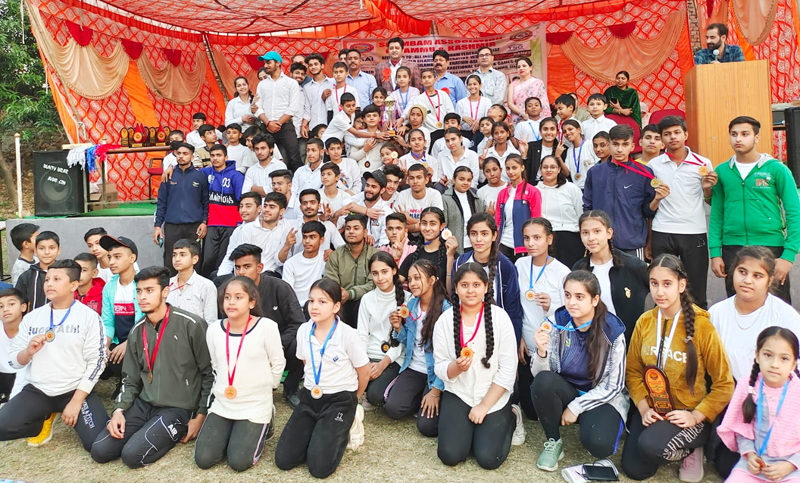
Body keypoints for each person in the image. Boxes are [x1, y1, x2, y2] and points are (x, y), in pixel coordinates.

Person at [623, 254, 734, 482]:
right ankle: (662, 438)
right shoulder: (644, 322)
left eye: (667, 284)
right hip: (653, 409)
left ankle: (693, 447)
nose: (660, 292)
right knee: (635, 470)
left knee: (651, 447)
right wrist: (643, 408)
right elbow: (633, 371)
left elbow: (724, 384)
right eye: (654, 283)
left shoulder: (703, 326)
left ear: (681, 285)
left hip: (687, 413)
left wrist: (696, 415)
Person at [90, 266, 213, 467]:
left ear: (165, 292)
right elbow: (129, 379)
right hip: (144, 403)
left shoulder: (192, 324)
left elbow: (209, 374)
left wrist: (200, 416)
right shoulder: (137, 331)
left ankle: (169, 430)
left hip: (179, 407)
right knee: (100, 450)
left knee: (132, 456)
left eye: (149, 290)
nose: (142, 297)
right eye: (138, 291)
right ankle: (148, 428)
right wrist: (119, 411)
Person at [709, 248, 800, 478]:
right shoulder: (717, 314)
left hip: (780, 403)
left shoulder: (785, 317)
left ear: (770, 280)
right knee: (727, 465)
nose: (748, 280)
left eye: (757, 275)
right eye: (742, 271)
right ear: (732, 274)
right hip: (735, 399)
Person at [0, 260, 108, 451]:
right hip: (38, 390)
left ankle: (72, 411)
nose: (49, 283)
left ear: (73, 285)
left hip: (73, 390)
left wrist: (76, 401)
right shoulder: (33, 317)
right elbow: (13, 360)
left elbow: (97, 362)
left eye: (57, 279)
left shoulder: (89, 317)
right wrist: (28, 352)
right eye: (48, 279)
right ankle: (41, 421)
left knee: (100, 445)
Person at [531, 270, 628, 472]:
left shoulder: (612, 331)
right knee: (542, 382)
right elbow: (540, 374)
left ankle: (592, 421)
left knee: (600, 445)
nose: (571, 302)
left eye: (579, 297)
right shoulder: (556, 322)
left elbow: (615, 385)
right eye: (567, 295)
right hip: (568, 388)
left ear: (595, 300)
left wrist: (576, 407)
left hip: (602, 397)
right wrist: (541, 352)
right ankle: (553, 441)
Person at [274, 278, 370, 479]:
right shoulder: (303, 331)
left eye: (322, 302)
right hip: (310, 396)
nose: (314, 307)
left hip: (340, 399)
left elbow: (364, 370)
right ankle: (319, 430)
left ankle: (351, 421)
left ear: (336, 306)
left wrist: (355, 399)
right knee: (284, 460)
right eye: (311, 301)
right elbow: (305, 363)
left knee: (319, 469)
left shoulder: (348, 335)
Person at [194, 276, 286, 472]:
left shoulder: (266, 327)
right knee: (204, 459)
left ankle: (267, 419)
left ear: (252, 302)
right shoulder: (213, 330)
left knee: (239, 462)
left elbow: (278, 363)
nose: (231, 302)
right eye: (227, 297)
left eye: (238, 297)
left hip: (254, 405)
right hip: (223, 403)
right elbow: (215, 364)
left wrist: (269, 388)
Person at [433, 263, 518, 469]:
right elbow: (440, 366)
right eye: (464, 285)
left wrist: (484, 406)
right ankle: (470, 432)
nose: (470, 290)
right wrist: (456, 367)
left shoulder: (500, 318)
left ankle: (512, 417)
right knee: (450, 455)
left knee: (488, 459)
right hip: (459, 392)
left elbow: (508, 369)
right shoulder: (445, 320)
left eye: (476, 285)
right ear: (455, 287)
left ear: (486, 287)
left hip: (492, 396)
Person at [710, 116, 800, 304]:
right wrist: (715, 253)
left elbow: (794, 212)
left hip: (770, 247)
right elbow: (717, 214)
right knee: (738, 305)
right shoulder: (722, 171)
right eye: (734, 134)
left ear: (757, 138)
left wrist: (789, 256)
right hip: (732, 247)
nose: (738, 139)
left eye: (745, 134)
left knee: (776, 307)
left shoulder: (776, 169)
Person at [716, 327, 800, 483]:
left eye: (784, 358)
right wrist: (750, 455)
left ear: (794, 363)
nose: (774, 364)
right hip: (754, 466)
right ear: (757, 356)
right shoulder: (746, 385)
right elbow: (740, 428)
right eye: (768, 355)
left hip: (793, 468)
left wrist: (790, 465)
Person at [648, 116, 716, 308]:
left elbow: (710, 201)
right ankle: (664, 330)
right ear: (661, 139)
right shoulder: (654, 165)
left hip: (693, 231)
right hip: (663, 230)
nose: (673, 137)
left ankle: (696, 333)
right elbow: (649, 205)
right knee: (663, 285)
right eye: (667, 134)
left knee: (695, 289)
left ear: (686, 134)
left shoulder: (702, 164)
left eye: (677, 132)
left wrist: (707, 188)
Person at [229, 244, 306, 408]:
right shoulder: (230, 292)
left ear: (259, 267)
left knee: (302, 342)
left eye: (247, 266)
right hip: (245, 346)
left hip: (282, 344)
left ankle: (291, 389)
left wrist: (277, 345)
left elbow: (298, 323)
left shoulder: (280, 287)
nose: (241, 272)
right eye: (237, 267)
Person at [385, 259, 450, 435]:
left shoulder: (446, 310)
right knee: (393, 408)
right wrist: (398, 328)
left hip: (436, 371)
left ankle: (433, 397)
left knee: (427, 427)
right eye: (410, 279)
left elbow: (450, 355)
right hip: (413, 367)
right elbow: (409, 341)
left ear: (432, 280)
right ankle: (420, 398)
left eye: (417, 278)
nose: (412, 283)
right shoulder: (412, 304)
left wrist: (436, 390)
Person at [514, 218, 570, 421]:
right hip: (526, 347)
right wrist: (518, 337)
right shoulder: (520, 264)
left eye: (537, 238)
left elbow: (571, 314)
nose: (531, 243)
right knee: (531, 412)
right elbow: (515, 304)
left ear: (549, 239)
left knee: (548, 407)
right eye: (527, 238)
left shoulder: (562, 272)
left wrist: (551, 306)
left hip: (552, 349)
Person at [573, 211, 648, 344]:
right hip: (591, 343)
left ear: (609, 233)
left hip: (629, 343)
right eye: (585, 233)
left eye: (597, 231)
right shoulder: (579, 268)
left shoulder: (632, 265)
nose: (591, 238)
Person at [583, 124, 656, 259]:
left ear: (632, 147)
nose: (620, 149)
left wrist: (649, 242)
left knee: (634, 280)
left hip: (632, 242)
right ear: (609, 145)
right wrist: (588, 240)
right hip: (601, 243)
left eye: (625, 144)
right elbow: (588, 209)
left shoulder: (644, 173)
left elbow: (649, 212)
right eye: (615, 144)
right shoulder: (595, 172)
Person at [453, 213, 523, 349]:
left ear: (494, 236)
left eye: (484, 234)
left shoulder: (505, 266)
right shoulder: (460, 263)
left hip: (497, 335)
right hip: (466, 333)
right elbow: (454, 299)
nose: (479, 239)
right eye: (474, 234)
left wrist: (514, 343)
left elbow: (513, 309)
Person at [358, 252, 410, 410]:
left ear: (394, 271)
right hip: (369, 356)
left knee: (375, 395)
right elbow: (361, 334)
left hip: (392, 359)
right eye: (375, 273)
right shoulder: (367, 299)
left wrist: (382, 365)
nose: (380, 278)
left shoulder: (408, 299)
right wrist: (363, 363)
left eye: (384, 271)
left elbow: (404, 340)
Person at [153, 142, 209, 275]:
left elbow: (206, 202)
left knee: (194, 259)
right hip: (173, 226)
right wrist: (157, 226)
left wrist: (204, 222)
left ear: (192, 156)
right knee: (171, 259)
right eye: (179, 153)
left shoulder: (200, 176)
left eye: (185, 154)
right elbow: (161, 203)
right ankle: (170, 290)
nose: (181, 157)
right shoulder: (168, 176)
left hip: (194, 226)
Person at [99, 235, 141, 393]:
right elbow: (108, 322)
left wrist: (129, 343)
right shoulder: (109, 288)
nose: (111, 262)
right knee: (105, 357)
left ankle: (130, 384)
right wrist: (106, 345)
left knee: (127, 359)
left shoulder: (143, 284)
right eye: (109, 257)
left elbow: (149, 322)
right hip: (119, 341)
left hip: (139, 341)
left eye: (117, 257)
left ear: (132, 258)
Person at [325, 214, 377, 328]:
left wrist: (351, 294)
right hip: (341, 301)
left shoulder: (374, 255)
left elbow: (374, 283)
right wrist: (339, 292)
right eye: (348, 228)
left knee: (360, 305)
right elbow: (330, 280)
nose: (351, 232)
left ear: (365, 232)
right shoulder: (336, 255)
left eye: (356, 228)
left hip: (367, 302)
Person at [255, 51, 303, 172]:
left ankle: (301, 187)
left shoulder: (291, 83)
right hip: (266, 126)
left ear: (278, 63)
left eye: (268, 62)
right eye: (265, 63)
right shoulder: (262, 85)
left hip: (285, 126)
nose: (266, 65)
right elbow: (257, 107)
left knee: (294, 158)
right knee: (266, 158)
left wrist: (278, 123)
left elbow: (293, 107)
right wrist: (268, 123)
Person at [200, 144, 244, 276]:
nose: (215, 158)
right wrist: (170, 168)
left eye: (218, 155)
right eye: (212, 156)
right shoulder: (205, 173)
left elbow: (241, 200)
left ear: (226, 157)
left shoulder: (236, 176)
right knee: (207, 260)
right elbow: (189, 173)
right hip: (212, 223)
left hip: (230, 224)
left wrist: (239, 223)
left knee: (223, 260)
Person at [537, 155, 585, 268]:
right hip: (547, 240)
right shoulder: (535, 191)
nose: (549, 170)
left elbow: (581, 215)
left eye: (553, 167)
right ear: (540, 170)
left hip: (571, 239)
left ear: (559, 169)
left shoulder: (572, 189)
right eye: (545, 167)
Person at [239, 192, 297, 276]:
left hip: (272, 273)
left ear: (282, 211)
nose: (266, 210)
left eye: (272, 207)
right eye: (265, 206)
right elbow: (243, 256)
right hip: (250, 272)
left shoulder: (287, 227)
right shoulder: (248, 229)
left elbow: (279, 261)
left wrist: (286, 246)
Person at [496, 154, 542, 260]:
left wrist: (533, 245)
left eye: (514, 168)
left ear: (522, 167)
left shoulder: (533, 191)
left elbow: (536, 221)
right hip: (503, 244)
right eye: (508, 168)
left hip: (524, 246)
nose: (511, 172)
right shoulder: (502, 193)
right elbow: (498, 221)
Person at [400, 207, 458, 283]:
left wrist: (450, 257)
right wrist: (396, 258)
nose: (427, 228)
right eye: (424, 223)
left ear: (442, 226)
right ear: (420, 225)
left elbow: (452, 291)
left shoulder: (452, 255)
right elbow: (395, 286)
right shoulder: (413, 257)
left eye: (433, 224)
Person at [166, 239, 217, 322]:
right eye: (174, 255)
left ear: (195, 259)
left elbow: (211, 321)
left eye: (182, 255)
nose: (177, 259)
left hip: (197, 334)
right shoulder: (167, 284)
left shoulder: (206, 286)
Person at [341, 170, 394, 247]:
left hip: (375, 252)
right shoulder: (358, 204)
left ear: (382, 190)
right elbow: (345, 202)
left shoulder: (386, 212)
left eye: (373, 187)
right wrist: (366, 211)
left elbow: (383, 244)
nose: (369, 189)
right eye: (367, 185)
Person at [217, 192, 262, 279]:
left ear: (259, 208)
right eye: (241, 206)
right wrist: (220, 276)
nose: (243, 210)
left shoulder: (264, 228)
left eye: (248, 206)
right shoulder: (238, 231)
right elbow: (229, 256)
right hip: (238, 272)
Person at [283, 221, 327, 308]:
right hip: (296, 309)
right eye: (304, 237)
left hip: (320, 307)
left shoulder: (326, 260)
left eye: (312, 237)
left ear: (321, 240)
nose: (307, 241)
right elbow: (287, 294)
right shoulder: (291, 263)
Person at [395, 163, 445, 236]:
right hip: (407, 237)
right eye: (411, 178)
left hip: (430, 237)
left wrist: (410, 221)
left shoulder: (434, 194)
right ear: (408, 181)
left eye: (419, 177)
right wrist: (420, 224)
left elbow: (434, 224)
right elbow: (397, 225)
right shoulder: (402, 195)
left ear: (426, 180)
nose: (415, 181)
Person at [443, 167, 486, 252]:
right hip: (455, 247)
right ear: (454, 180)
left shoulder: (476, 199)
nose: (465, 183)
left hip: (474, 245)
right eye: (461, 179)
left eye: (469, 180)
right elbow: (444, 225)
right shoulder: (445, 199)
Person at [15, 231, 60, 311]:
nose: (47, 252)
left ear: (58, 250)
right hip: (34, 322)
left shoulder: (65, 274)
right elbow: (19, 303)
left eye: (52, 248)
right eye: (41, 248)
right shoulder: (27, 276)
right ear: (35, 251)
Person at [0, 288, 28, 403]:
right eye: (0, 306)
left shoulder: (31, 329)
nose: (5, 309)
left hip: (24, 379)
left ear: (23, 307)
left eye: (11, 304)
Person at [523, 117, 568, 185]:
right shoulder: (531, 147)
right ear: (540, 132)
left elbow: (566, 174)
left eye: (552, 129)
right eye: (545, 129)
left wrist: (558, 157)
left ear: (557, 132)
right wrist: (523, 155)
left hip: (555, 186)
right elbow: (525, 172)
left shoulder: (562, 148)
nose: (549, 132)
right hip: (534, 185)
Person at [507, 58, 550, 123]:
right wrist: (522, 114)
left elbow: (543, 103)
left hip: (537, 119)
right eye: (518, 67)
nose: (521, 68)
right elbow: (510, 103)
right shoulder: (512, 85)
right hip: (518, 119)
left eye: (524, 66)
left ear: (530, 67)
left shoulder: (538, 83)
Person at [301, 53, 331, 138]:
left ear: (322, 66)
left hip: (331, 125)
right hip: (314, 127)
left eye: (316, 64)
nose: (313, 67)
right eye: (310, 65)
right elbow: (307, 109)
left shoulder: (332, 83)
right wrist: (303, 126)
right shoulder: (307, 87)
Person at [562, 119, 597, 189]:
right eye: (564, 131)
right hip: (576, 189)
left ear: (579, 130)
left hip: (592, 187)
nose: (567, 133)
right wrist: (558, 157)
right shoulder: (569, 150)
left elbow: (599, 164)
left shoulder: (590, 145)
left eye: (570, 129)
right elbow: (567, 173)